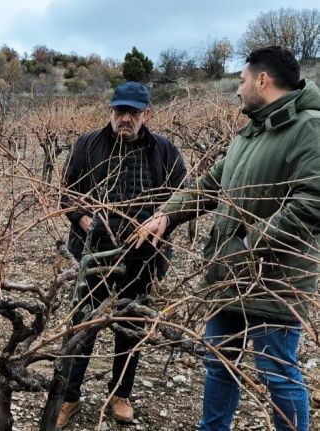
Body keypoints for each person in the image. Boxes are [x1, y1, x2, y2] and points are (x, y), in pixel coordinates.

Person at [131, 46, 315, 431]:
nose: (237, 90)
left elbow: (312, 201)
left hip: (272, 282)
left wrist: (252, 244)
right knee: (218, 362)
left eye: (242, 80)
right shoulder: (251, 131)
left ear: (262, 81)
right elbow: (210, 184)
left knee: (277, 375)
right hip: (227, 275)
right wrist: (167, 215)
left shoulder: (308, 128)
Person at [57, 81, 186, 427]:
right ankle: (69, 397)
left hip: (142, 258)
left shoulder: (164, 151)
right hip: (92, 253)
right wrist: (83, 219)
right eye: (119, 111)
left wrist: (163, 219)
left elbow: (180, 197)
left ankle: (121, 393)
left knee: (131, 326)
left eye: (133, 112)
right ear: (110, 111)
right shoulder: (87, 145)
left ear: (147, 113)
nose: (125, 118)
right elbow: (67, 193)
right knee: (83, 326)